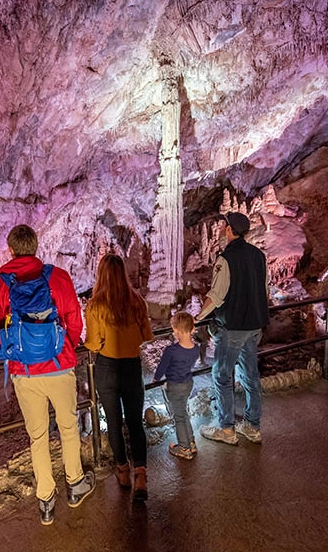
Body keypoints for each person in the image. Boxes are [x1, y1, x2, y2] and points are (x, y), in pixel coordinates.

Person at [0, 224, 95, 525]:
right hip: (59, 367)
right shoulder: (57, 278)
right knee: (69, 427)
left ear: (10, 250)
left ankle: (46, 500)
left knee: (38, 436)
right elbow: (74, 320)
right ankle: (75, 484)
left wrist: (9, 351)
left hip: (24, 373)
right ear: (35, 247)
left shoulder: (0, 288)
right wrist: (66, 347)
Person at [195, 212, 269, 446]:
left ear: (228, 229)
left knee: (222, 375)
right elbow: (263, 290)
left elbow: (216, 296)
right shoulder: (258, 256)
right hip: (254, 325)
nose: (221, 228)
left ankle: (227, 429)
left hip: (233, 326)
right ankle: (252, 426)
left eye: (223, 225)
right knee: (250, 375)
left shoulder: (225, 259)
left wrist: (198, 317)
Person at [84, 254, 154, 501]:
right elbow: (146, 335)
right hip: (131, 367)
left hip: (107, 367)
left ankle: (123, 471)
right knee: (135, 422)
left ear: (101, 276)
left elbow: (93, 344)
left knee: (113, 422)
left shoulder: (95, 306)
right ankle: (141, 475)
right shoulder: (137, 301)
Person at [153, 311, 200, 460]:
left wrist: (156, 378)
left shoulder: (171, 351)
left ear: (175, 330)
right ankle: (191, 442)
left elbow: (162, 367)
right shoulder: (196, 348)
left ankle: (184, 448)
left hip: (174, 386)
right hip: (188, 383)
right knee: (183, 412)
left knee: (178, 417)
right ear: (192, 329)